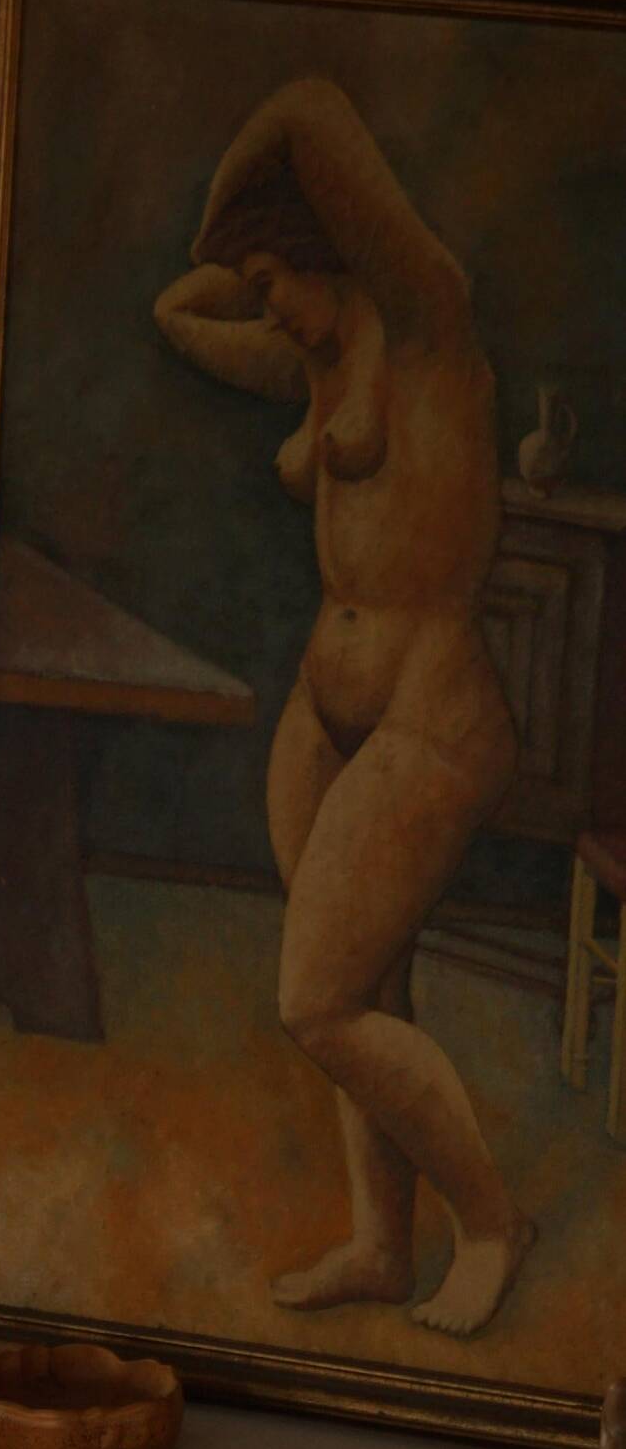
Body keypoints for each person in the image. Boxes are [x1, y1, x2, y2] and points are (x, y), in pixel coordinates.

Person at [153, 77, 527, 1337]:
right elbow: (176, 313)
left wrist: (236, 215)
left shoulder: (426, 327)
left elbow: (311, 108)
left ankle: (490, 1220)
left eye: (275, 278)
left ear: (334, 251)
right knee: (367, 994)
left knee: (317, 998)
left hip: (432, 713)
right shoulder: (313, 359)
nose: (263, 306)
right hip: (326, 717)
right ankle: (382, 1241)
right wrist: (245, 265)